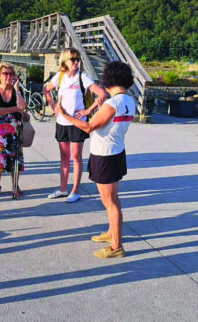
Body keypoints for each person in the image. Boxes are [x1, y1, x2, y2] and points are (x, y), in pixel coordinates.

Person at [56, 61, 136, 259]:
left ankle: (117, 245)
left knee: (109, 201)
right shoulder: (129, 100)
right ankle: (111, 233)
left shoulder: (113, 103)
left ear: (109, 80)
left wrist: (65, 115)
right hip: (116, 150)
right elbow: (105, 122)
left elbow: (89, 127)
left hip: (105, 154)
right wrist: (98, 109)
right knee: (113, 198)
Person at [43, 48, 106, 203]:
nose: (76, 62)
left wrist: (87, 111)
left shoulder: (82, 77)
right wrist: (54, 107)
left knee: (76, 157)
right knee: (64, 157)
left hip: (78, 123)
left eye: (78, 59)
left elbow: (102, 94)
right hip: (62, 122)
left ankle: (75, 191)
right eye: (73, 59)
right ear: (65, 61)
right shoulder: (60, 76)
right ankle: (63, 189)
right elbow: (46, 90)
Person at [0, 62, 26, 197]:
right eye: (5, 73)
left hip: (14, 131)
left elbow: (23, 106)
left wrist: (17, 89)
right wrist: (14, 109)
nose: (8, 76)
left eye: (11, 73)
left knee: (15, 158)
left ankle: (15, 186)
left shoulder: (16, 90)